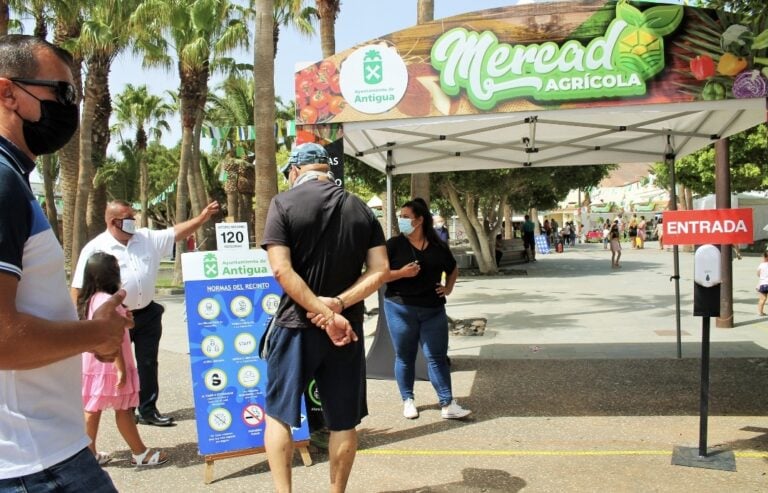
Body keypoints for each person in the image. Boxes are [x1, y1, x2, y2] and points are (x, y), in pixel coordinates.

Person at [0, 34, 132, 491]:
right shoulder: (2, 182)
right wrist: (97, 334)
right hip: (35, 462)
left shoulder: (14, 179)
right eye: (61, 92)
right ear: (7, 92)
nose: (71, 106)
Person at [261, 142, 389, 493]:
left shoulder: (282, 204)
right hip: (346, 329)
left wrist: (321, 311)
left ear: (295, 171)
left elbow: (281, 271)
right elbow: (380, 271)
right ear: (326, 170)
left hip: (295, 327)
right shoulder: (361, 209)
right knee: (343, 421)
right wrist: (337, 307)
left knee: (278, 415)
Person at [71, 199, 220, 426]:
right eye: (128, 218)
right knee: (115, 367)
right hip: (115, 318)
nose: (133, 221)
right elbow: (78, 287)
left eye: (133, 217)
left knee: (148, 362)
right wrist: (82, 324)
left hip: (147, 312)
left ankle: (148, 410)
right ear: (113, 222)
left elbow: (176, 233)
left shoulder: (146, 238)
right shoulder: (95, 248)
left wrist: (202, 218)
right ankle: (124, 410)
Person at [77, 252, 169, 467]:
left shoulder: (93, 299)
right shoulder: (108, 301)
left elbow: (123, 326)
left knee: (93, 408)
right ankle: (140, 453)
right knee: (123, 409)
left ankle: (89, 454)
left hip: (95, 366)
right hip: (111, 365)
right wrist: (121, 368)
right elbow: (113, 338)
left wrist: (127, 321)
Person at [383, 198, 470, 421]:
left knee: (437, 356)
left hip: (433, 310)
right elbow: (379, 274)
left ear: (420, 220)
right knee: (405, 356)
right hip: (400, 307)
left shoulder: (439, 246)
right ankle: (408, 400)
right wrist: (401, 273)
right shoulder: (393, 245)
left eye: (405, 217)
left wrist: (448, 288)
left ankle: (447, 403)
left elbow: (452, 268)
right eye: (400, 217)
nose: (401, 221)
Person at [757, 251, 768, 316]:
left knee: (762, 299)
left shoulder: (761, 265)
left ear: (764, 257)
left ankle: (760, 312)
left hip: (763, 284)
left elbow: (758, 274)